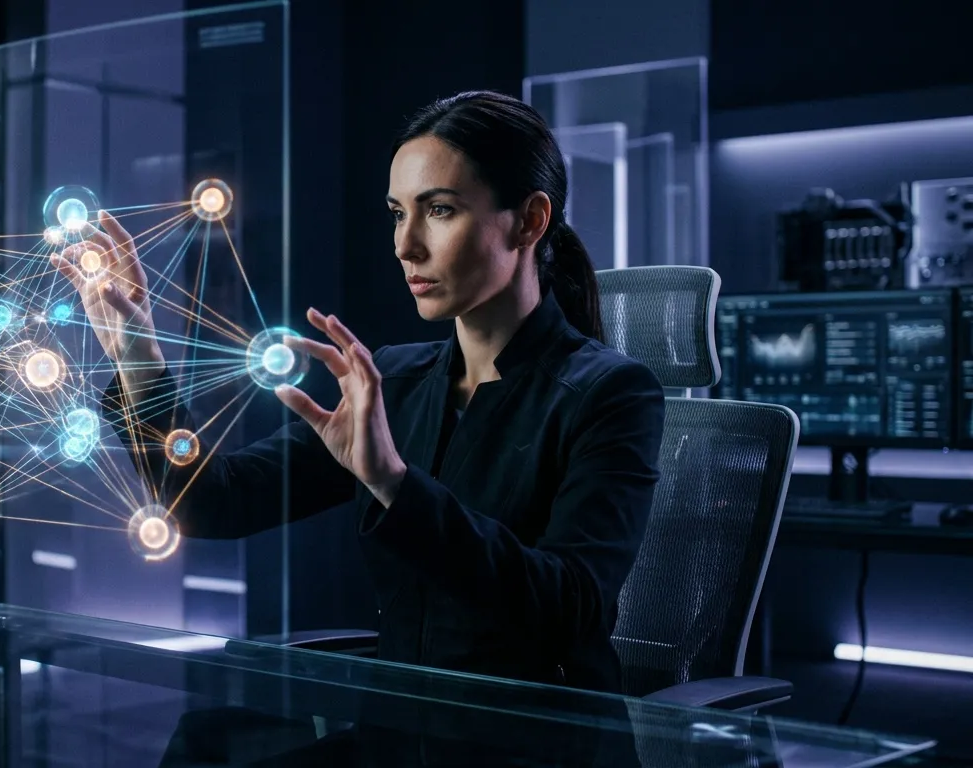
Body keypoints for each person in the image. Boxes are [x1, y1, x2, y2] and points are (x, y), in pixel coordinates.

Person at [56, 89, 665, 763]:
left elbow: (568, 609)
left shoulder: (611, 394)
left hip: (530, 751)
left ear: (528, 222)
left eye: (439, 210)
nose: (407, 244)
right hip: (403, 741)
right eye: (398, 214)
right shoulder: (396, 384)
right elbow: (211, 502)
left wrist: (393, 483)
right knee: (206, 749)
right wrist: (139, 359)